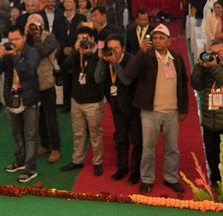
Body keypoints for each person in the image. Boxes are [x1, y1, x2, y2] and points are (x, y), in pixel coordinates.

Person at [125, 24, 189, 195]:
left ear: (169, 41)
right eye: (154, 38)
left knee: (172, 148)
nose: (157, 41)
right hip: (150, 111)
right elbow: (129, 72)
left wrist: (183, 108)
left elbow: (183, 82)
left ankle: (171, 178)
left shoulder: (177, 57)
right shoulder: (146, 57)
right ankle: (147, 179)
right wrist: (140, 52)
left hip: (172, 111)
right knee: (148, 148)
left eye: (161, 38)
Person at [0, 25, 41, 183]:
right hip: (12, 98)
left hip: (29, 99)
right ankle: (19, 161)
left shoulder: (32, 52)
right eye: (11, 40)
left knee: (30, 136)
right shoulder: (7, 52)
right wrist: (0, 57)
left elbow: (29, 71)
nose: (14, 43)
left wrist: (16, 56)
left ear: (24, 38)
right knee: (16, 134)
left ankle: (30, 168)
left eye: (17, 39)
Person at [190, 40, 223, 185]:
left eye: (219, 53)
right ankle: (216, 185)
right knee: (212, 158)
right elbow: (196, 84)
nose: (216, 56)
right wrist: (200, 66)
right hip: (210, 122)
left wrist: (214, 67)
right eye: (212, 53)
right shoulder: (207, 68)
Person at [95, 34, 141, 184]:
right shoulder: (106, 59)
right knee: (120, 140)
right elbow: (97, 78)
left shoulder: (131, 60)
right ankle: (122, 168)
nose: (112, 51)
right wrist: (102, 61)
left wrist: (114, 63)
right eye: (110, 48)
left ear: (123, 48)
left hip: (133, 108)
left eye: (116, 48)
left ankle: (135, 171)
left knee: (136, 141)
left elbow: (127, 80)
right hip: (117, 108)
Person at [60, 26, 105, 176]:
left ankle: (97, 162)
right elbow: (65, 66)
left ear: (93, 40)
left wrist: (91, 54)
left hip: (93, 102)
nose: (84, 42)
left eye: (86, 39)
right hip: (76, 100)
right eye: (80, 39)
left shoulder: (98, 55)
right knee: (78, 133)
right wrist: (75, 51)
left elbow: (96, 77)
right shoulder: (76, 55)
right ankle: (77, 160)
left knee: (95, 134)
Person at [26, 14, 61, 163]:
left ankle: (56, 148)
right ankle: (45, 144)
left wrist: (36, 37)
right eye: (30, 25)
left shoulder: (50, 38)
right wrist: (26, 35)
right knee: (38, 118)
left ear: (42, 25)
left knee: (51, 118)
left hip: (46, 82)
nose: (33, 29)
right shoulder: (26, 37)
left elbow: (40, 53)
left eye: (35, 25)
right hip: (32, 83)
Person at [53, 0, 87, 111]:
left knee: (76, 78)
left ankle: (77, 103)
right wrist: (62, 48)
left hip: (76, 53)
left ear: (74, 4)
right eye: (66, 1)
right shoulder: (58, 19)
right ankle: (66, 103)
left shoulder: (81, 18)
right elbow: (55, 37)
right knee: (65, 79)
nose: (68, 4)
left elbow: (84, 35)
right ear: (63, 4)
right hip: (62, 54)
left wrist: (73, 48)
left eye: (70, 2)